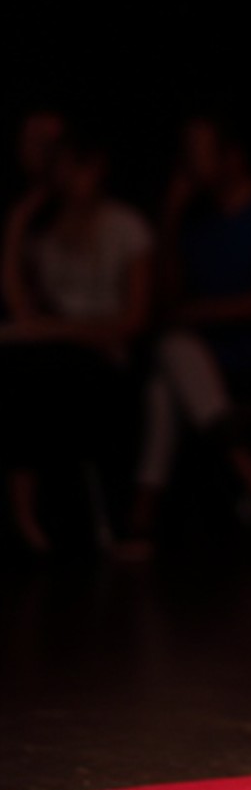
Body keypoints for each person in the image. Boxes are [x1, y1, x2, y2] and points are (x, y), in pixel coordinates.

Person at [123, 112, 251, 547]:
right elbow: (167, 299)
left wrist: (200, 315)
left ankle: (144, 513)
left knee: (171, 360)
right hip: (203, 360)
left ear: (232, 156)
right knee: (170, 363)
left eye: (200, 153)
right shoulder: (197, 224)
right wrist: (170, 216)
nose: (190, 164)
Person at [0, 123, 152, 553]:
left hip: (106, 358)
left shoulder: (125, 226)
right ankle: (25, 520)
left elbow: (135, 319)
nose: (66, 180)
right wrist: (16, 225)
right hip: (54, 355)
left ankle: (37, 521)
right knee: (24, 371)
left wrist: (60, 329)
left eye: (73, 168)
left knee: (39, 376)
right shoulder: (48, 236)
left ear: (96, 167)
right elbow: (22, 311)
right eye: (59, 171)